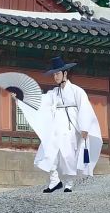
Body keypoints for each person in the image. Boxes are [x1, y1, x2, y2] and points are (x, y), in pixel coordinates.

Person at [14, 56, 102, 193]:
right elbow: (40, 100)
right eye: (54, 74)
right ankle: (54, 180)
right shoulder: (54, 93)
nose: (55, 77)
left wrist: (85, 128)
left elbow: (85, 108)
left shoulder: (77, 91)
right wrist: (22, 97)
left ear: (65, 73)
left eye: (57, 74)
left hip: (71, 127)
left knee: (68, 155)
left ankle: (69, 183)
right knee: (48, 151)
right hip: (56, 127)